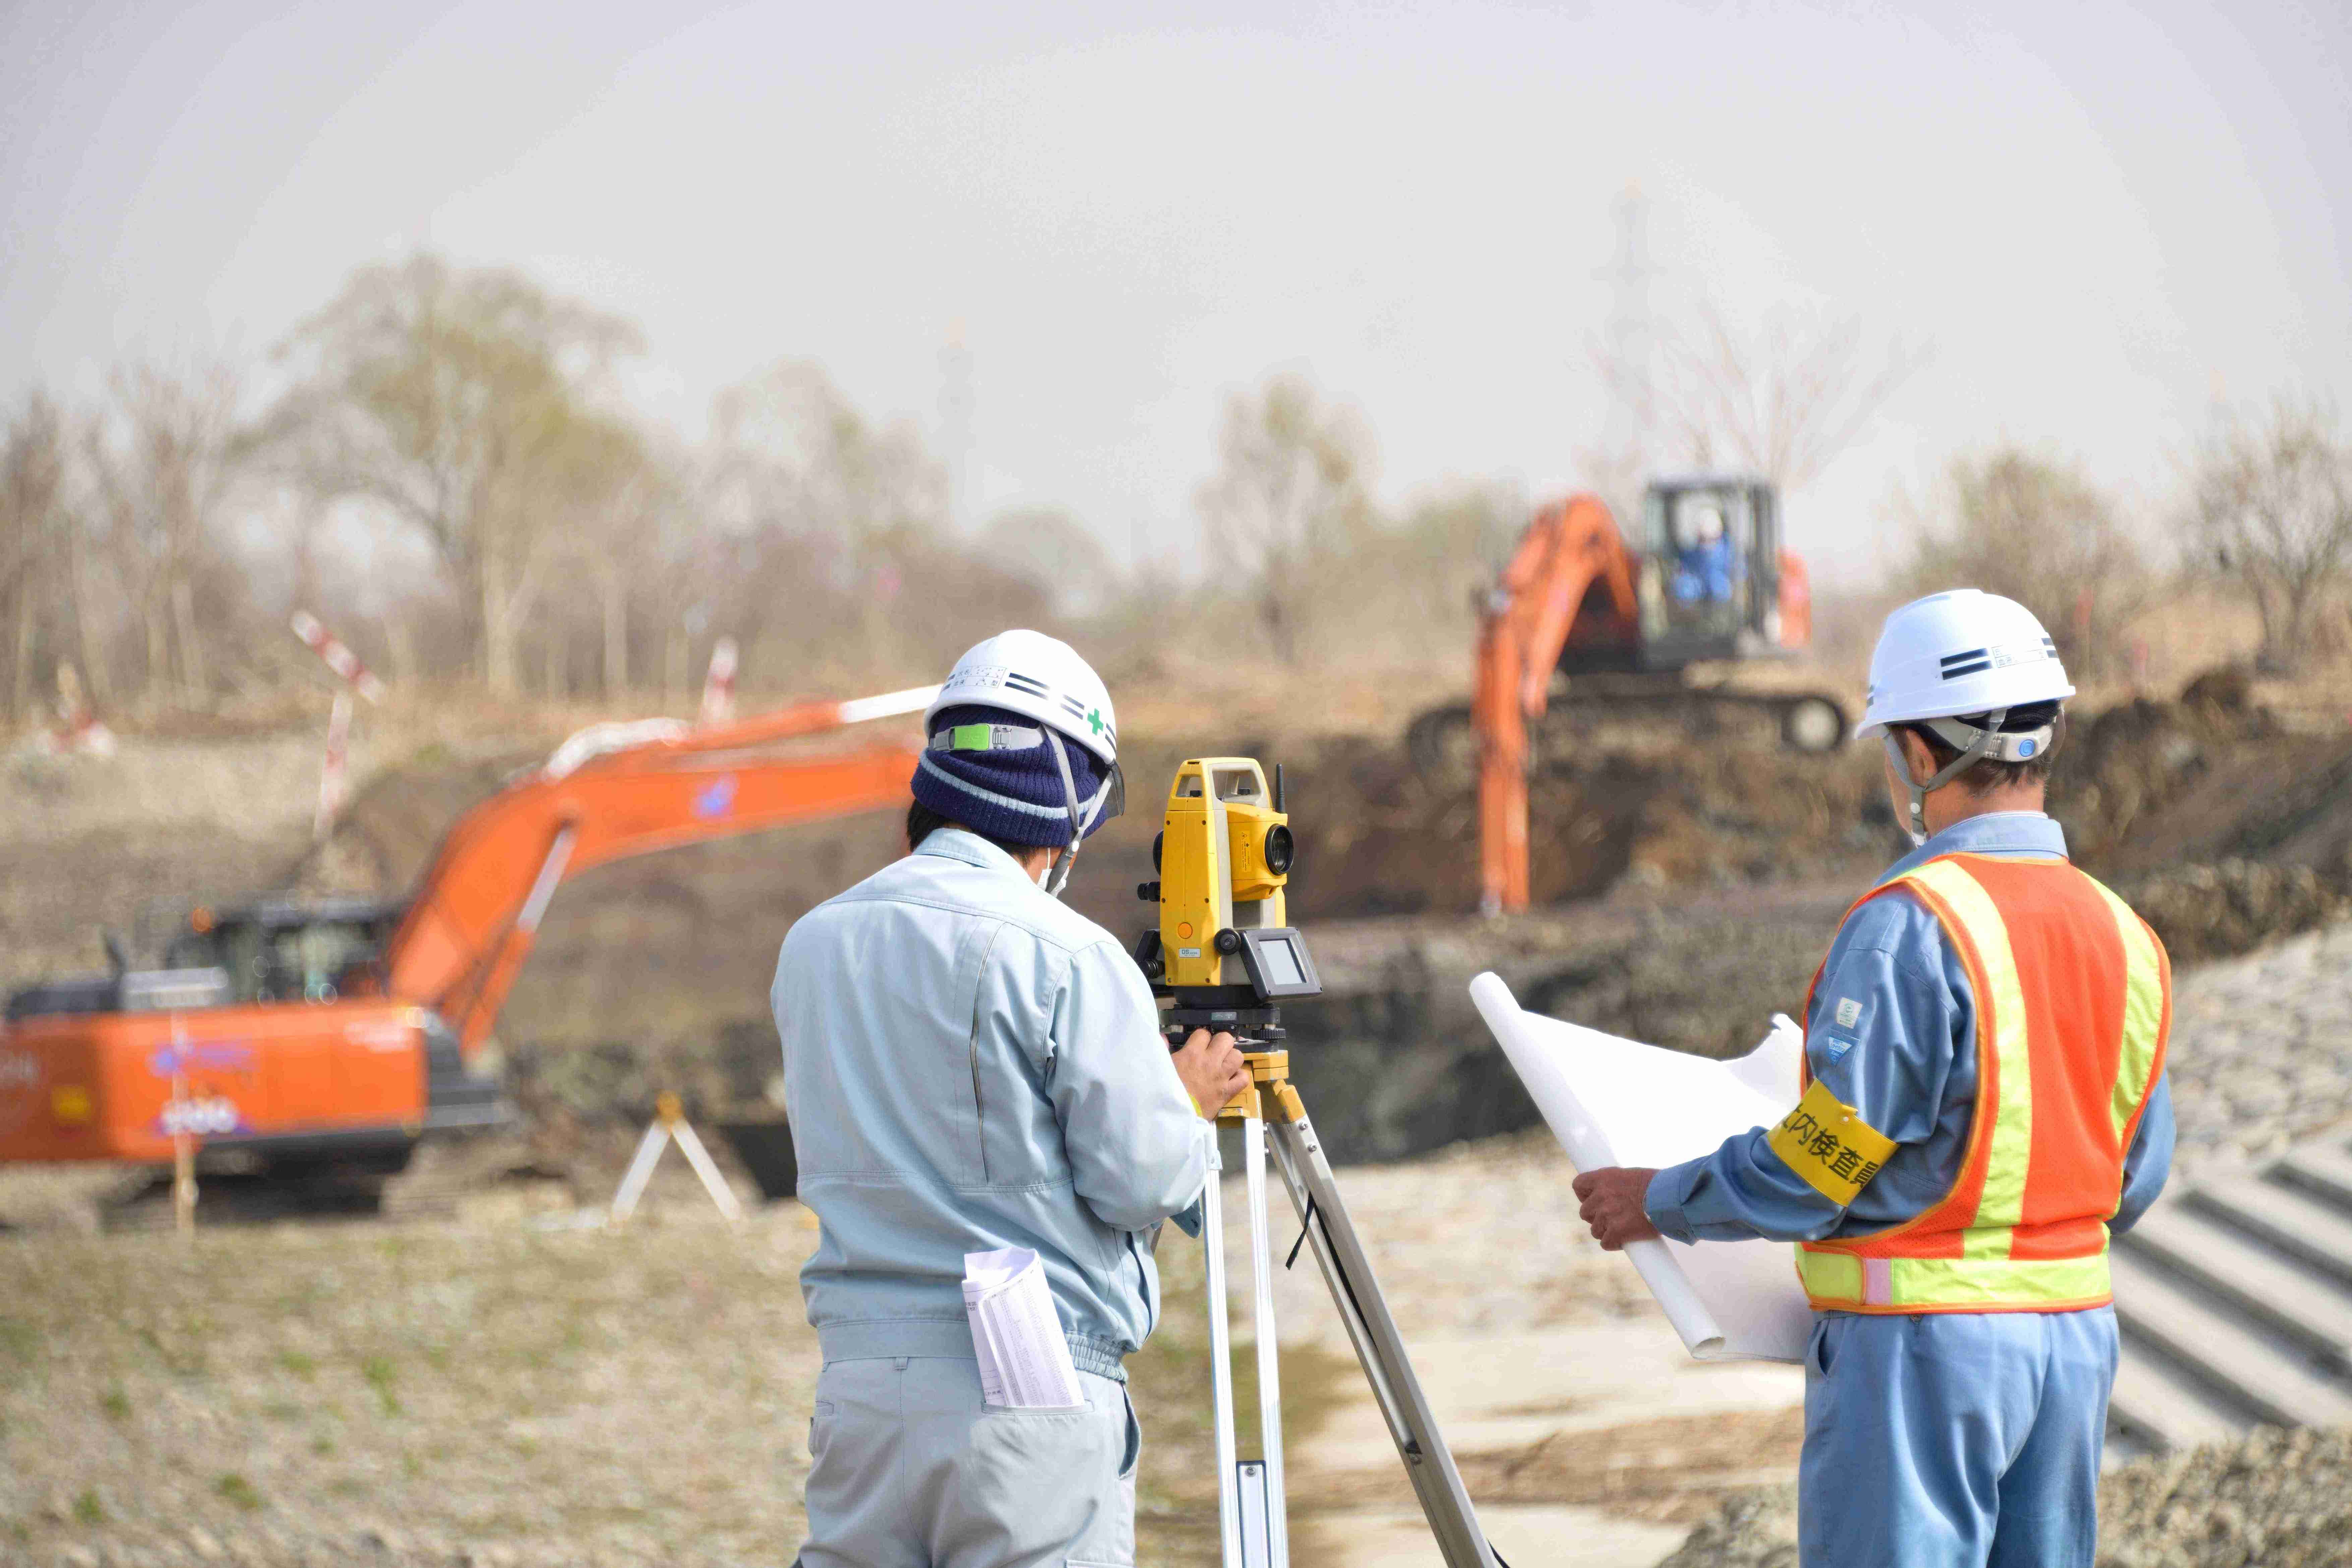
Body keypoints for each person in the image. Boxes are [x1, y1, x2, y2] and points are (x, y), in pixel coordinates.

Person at [1572, 589, 2174, 1568]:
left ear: (1920, 754)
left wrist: (1660, 1199)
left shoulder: (1911, 925)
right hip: (2072, 1347)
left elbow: (1822, 1162)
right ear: (2047, 733)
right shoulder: (2125, 933)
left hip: (1923, 1359)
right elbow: (2135, 1174)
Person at [774, 629, 1251, 1568]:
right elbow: (1140, 1180)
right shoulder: (1067, 955)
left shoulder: (814, 943)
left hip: (862, 1383)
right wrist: (1183, 1102)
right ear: (1069, 811)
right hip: (1025, 1369)